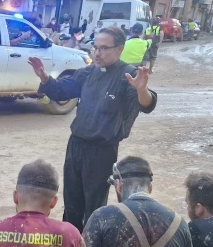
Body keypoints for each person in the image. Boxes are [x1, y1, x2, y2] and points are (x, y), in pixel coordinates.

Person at [29, 26, 157, 232]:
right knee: (71, 200)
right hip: (76, 145)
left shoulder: (129, 75)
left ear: (120, 49)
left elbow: (147, 104)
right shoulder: (88, 72)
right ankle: (70, 242)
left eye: (104, 48)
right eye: (95, 47)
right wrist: (44, 77)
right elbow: (62, 90)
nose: (97, 53)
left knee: (94, 205)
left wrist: (142, 89)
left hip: (102, 150)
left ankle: (91, 246)